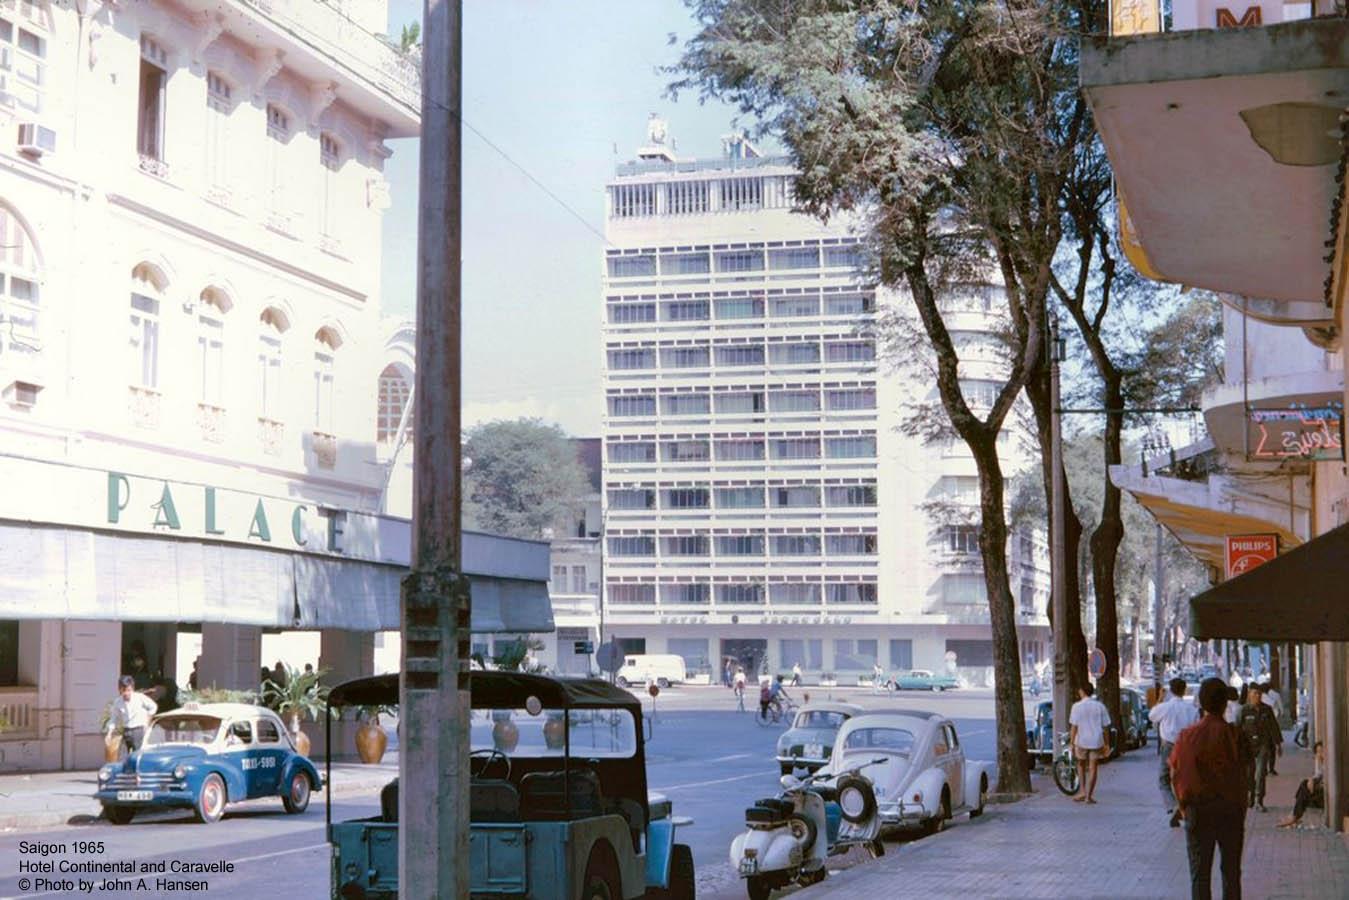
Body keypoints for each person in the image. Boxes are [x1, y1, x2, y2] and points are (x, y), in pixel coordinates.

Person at [1171, 678, 1248, 900]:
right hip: (1230, 810)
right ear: (1225, 703)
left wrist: (1182, 806)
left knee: (1200, 875)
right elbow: (1245, 774)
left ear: (1201, 703)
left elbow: (1175, 774)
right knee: (1231, 873)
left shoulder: (1187, 736)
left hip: (1198, 810)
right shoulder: (1235, 735)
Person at [1150, 677, 1200, 827]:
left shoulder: (1165, 707)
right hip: (1185, 746)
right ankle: (1183, 806)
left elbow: (1152, 716)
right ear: (1185, 690)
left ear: (1171, 691)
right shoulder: (1191, 709)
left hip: (1169, 746)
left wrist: (1159, 698)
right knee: (1183, 778)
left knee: (1164, 778)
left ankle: (1173, 806)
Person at [1236, 683, 1281, 811]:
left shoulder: (1267, 710)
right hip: (1248, 746)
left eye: (1259, 694)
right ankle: (1250, 798)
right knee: (1249, 773)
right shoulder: (1243, 710)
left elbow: (1274, 727)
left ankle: (1258, 800)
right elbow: (1237, 730)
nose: (1257, 696)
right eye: (1255, 693)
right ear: (1249, 694)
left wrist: (1278, 744)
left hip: (1263, 745)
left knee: (1260, 773)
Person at [1069, 683, 1112, 804]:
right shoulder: (1100, 706)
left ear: (1082, 691)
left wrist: (1071, 743)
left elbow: (1074, 727)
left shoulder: (1076, 707)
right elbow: (1105, 728)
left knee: (1081, 765)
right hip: (1096, 741)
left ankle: (1082, 791)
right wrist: (1107, 744)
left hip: (1081, 740)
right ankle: (1088, 796)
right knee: (1093, 768)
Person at [107, 675, 159, 755]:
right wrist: (109, 733)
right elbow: (113, 718)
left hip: (138, 730)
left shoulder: (139, 697)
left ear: (132, 689)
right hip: (126, 730)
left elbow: (153, 707)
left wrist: (147, 720)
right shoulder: (118, 702)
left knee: (137, 754)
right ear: (119, 689)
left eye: (128, 690)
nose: (126, 693)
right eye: (123, 690)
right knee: (126, 756)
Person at [1278, 741, 1325, 829]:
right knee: (1305, 784)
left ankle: (1294, 816)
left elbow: (1325, 780)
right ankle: (1294, 815)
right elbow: (1318, 775)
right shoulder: (1320, 760)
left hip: (1325, 795)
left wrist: (1314, 781)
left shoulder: (1332, 763)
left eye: (1322, 751)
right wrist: (1312, 779)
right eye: (1318, 752)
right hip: (1321, 791)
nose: (1320, 754)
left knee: (1304, 786)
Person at [1260, 683, 1283, 774]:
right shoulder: (1274, 696)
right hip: (1269, 726)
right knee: (1270, 749)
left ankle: (1266, 768)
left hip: (1267, 728)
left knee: (1268, 749)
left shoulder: (1265, 705)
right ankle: (1270, 768)